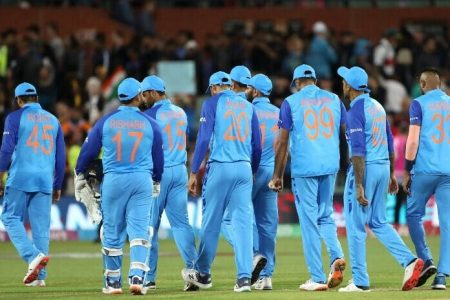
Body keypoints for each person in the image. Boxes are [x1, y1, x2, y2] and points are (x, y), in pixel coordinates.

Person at [337, 66, 423, 292]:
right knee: (377, 222)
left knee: (356, 226)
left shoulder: (355, 110)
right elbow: (388, 139)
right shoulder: (377, 106)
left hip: (366, 169)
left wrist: (357, 185)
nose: (342, 84)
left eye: (344, 81)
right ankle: (410, 261)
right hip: (383, 166)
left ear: (350, 86)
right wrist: (392, 173)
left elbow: (357, 150)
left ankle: (360, 280)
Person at [74, 77, 164, 295]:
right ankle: (137, 277)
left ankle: (113, 283)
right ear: (139, 96)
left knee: (112, 231)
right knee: (140, 231)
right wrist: (157, 179)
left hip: (113, 181)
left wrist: (79, 173)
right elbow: (159, 157)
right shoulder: (151, 124)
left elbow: (88, 151)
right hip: (141, 180)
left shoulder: (105, 121)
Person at [182, 71, 262, 292]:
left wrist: (193, 172)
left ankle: (203, 273)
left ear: (215, 87)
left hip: (220, 167)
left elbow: (204, 138)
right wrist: (252, 170)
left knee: (211, 222)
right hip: (244, 168)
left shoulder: (212, 103)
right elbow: (257, 145)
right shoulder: (248, 107)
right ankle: (244, 278)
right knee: (243, 224)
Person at [269, 64, 346, 291]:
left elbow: (283, 142)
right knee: (326, 215)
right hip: (330, 165)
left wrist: (277, 175)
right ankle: (336, 256)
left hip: (305, 168)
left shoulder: (290, 103)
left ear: (296, 83)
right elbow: (346, 133)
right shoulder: (334, 99)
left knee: (309, 222)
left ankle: (317, 277)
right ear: (314, 79)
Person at [0, 82, 65, 287]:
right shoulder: (54, 120)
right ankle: (40, 278)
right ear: (36, 98)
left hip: (21, 176)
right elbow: (61, 156)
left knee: (9, 217)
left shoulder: (15, 117)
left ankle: (31, 257)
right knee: (41, 229)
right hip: (45, 179)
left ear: (18, 100)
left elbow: (6, 150)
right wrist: (58, 184)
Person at [140, 75, 197, 292]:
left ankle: (147, 277)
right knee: (181, 225)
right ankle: (193, 272)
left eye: (145, 94)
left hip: (158, 175)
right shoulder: (181, 112)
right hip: (179, 172)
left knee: (149, 227)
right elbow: (186, 137)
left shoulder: (149, 116)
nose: (143, 98)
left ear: (154, 92)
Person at [404, 68, 450, 290]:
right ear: (439, 84)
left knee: (413, 214)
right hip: (448, 171)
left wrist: (406, 169)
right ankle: (441, 276)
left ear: (422, 84)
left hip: (424, 169)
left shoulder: (418, 104)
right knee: (448, 224)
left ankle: (426, 259)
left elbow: (412, 141)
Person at [244, 74, 279, 290]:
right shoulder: (278, 112)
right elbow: (286, 146)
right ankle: (266, 276)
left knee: (239, 219)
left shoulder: (247, 111)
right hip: (272, 171)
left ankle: (255, 256)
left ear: (255, 91)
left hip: (251, 169)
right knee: (267, 224)